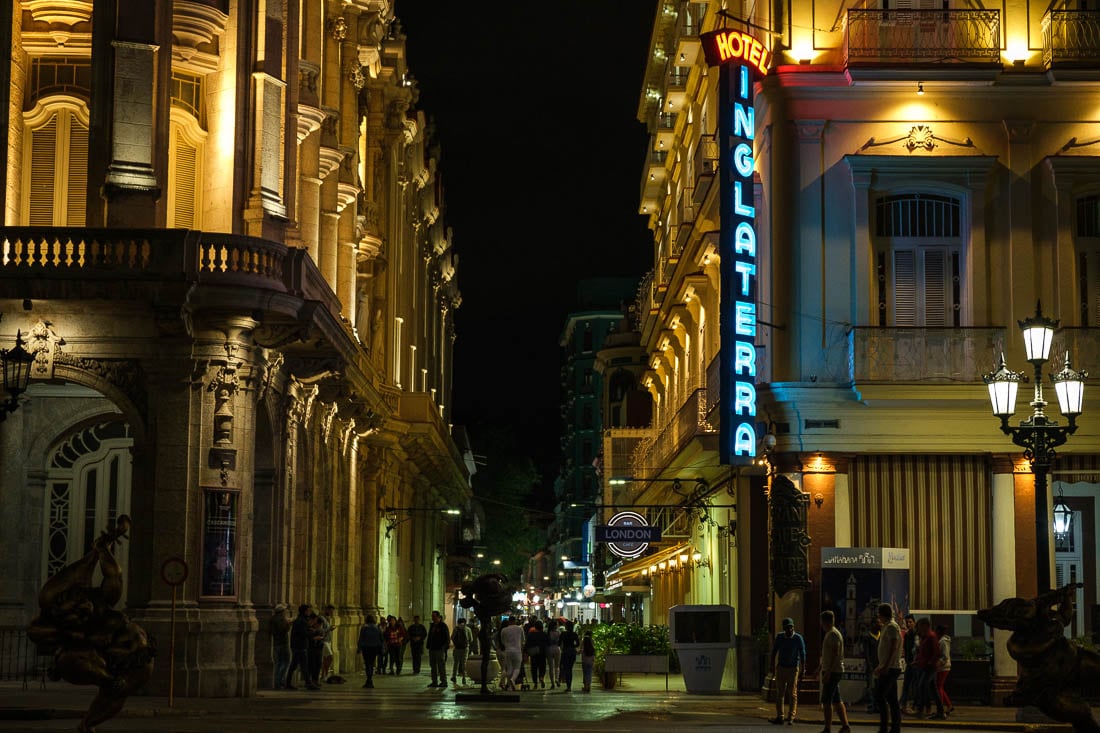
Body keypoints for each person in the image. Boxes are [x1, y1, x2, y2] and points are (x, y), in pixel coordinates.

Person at [818, 610, 851, 733]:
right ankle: (845, 726)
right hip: (831, 670)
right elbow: (828, 654)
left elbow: (835, 654)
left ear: (825, 621)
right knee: (837, 699)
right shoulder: (830, 633)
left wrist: (828, 672)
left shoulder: (833, 634)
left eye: (821, 621)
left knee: (827, 700)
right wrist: (821, 667)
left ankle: (827, 728)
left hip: (833, 671)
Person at [872, 603, 903, 733]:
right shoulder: (887, 627)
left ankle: (884, 727)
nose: (878, 617)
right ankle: (894, 727)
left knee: (879, 695)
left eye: (879, 614)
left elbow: (893, 647)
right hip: (889, 667)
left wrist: (885, 666)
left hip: (890, 668)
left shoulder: (891, 627)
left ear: (882, 615)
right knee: (891, 699)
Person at [771, 617, 806, 724]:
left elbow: (803, 653)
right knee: (780, 693)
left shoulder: (798, 638)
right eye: (787, 628)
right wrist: (772, 665)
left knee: (792, 693)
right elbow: (774, 651)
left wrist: (803, 668)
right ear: (784, 628)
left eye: (790, 627)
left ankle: (791, 717)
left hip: (792, 668)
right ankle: (780, 716)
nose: (789, 630)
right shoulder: (780, 637)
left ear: (793, 627)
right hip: (781, 667)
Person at [912, 619, 944, 719]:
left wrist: (930, 662)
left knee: (921, 686)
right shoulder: (926, 637)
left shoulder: (931, 636)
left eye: (920, 626)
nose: (919, 629)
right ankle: (940, 712)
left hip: (929, 668)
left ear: (926, 626)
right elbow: (923, 652)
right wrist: (917, 661)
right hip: (926, 666)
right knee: (933, 689)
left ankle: (921, 710)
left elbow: (937, 652)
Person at [287, 604, 320, 690]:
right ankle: (306, 683)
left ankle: (307, 683)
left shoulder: (301, 620)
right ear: (305, 611)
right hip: (299, 646)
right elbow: (303, 633)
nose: (309, 612)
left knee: (302, 665)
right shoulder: (301, 621)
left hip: (299, 646)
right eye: (308, 611)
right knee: (296, 665)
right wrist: (314, 632)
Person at [499, 615, 525, 691]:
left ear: (509, 621)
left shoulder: (504, 630)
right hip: (517, 650)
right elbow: (523, 641)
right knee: (517, 668)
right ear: (515, 621)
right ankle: (513, 679)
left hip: (507, 651)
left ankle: (510, 687)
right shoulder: (520, 629)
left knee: (509, 669)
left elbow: (502, 641)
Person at [357, 614, 384, 688]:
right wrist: (381, 648)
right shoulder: (377, 628)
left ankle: (368, 679)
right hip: (374, 648)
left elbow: (361, 639)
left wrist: (359, 648)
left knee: (367, 663)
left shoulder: (364, 628)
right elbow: (381, 639)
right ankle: (370, 679)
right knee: (371, 663)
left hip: (366, 648)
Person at [898, 614, 918, 714]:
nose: (909, 624)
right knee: (907, 685)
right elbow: (906, 648)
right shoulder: (907, 635)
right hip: (910, 663)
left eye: (910, 622)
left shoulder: (916, 635)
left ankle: (914, 705)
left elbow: (916, 649)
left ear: (914, 622)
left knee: (915, 685)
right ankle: (904, 705)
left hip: (915, 664)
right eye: (907, 622)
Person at [425, 610, 450, 687]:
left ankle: (444, 681)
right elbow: (430, 636)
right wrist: (428, 646)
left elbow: (447, 638)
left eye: (434, 616)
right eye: (432, 616)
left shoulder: (443, 626)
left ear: (438, 617)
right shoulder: (432, 625)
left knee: (441, 666)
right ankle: (434, 681)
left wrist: (444, 647)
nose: (433, 618)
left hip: (439, 649)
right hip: (432, 649)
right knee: (433, 666)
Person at [270, 604, 291, 690]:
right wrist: (288, 624)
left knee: (278, 664)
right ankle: (279, 682)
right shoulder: (281, 619)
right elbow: (283, 629)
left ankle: (279, 682)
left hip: (276, 643)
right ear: (281, 612)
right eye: (284, 611)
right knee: (285, 662)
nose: (285, 612)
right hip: (282, 643)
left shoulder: (273, 619)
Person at [935, 624, 953, 716]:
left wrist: (938, 663)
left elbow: (945, 656)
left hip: (943, 667)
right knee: (940, 686)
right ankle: (948, 705)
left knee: (938, 687)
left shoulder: (943, 641)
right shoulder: (942, 640)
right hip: (944, 666)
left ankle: (941, 706)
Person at [525, 619, 549, 689]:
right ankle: (541, 677)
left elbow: (527, 644)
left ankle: (535, 683)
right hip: (542, 653)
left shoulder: (531, 635)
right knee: (542, 666)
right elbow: (548, 643)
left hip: (533, 653)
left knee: (534, 668)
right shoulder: (544, 634)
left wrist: (526, 652)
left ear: (535, 627)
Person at [559, 620, 580, 691]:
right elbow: (578, 644)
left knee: (566, 668)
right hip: (572, 652)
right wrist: (573, 646)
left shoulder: (563, 634)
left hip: (565, 652)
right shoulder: (574, 634)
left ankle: (568, 685)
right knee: (570, 669)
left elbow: (559, 643)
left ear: (566, 627)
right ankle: (569, 685)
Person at [451, 617, 472, 686]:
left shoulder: (456, 629)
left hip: (457, 648)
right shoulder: (468, 629)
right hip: (465, 649)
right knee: (464, 663)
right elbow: (471, 639)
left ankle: (454, 676)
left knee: (456, 663)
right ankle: (464, 678)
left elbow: (452, 637)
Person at [320, 604, 336, 683]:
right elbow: (321, 630)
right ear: (326, 610)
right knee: (330, 657)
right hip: (324, 641)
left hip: (328, 640)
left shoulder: (327, 619)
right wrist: (329, 629)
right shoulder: (322, 618)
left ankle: (323, 675)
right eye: (330, 611)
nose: (331, 613)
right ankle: (325, 674)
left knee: (325, 659)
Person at [546, 620, 562, 688]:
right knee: (557, 666)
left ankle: (552, 683)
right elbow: (560, 642)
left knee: (551, 667)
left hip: (549, 649)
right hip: (557, 648)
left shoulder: (548, 633)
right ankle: (557, 679)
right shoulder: (558, 632)